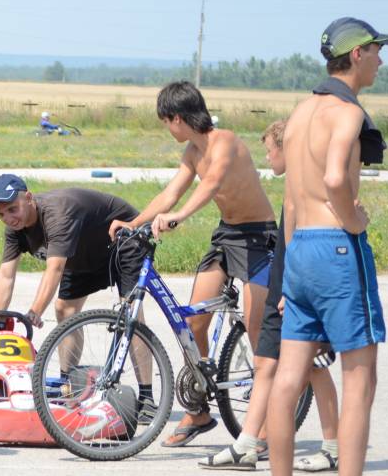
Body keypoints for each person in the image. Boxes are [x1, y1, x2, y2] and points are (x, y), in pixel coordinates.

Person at [268, 16, 388, 476]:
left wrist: (288, 272)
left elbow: (289, 201)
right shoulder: (347, 112)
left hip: (300, 249)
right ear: (355, 55)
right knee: (360, 379)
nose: (381, 60)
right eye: (376, 50)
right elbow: (333, 179)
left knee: (287, 378)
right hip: (336, 249)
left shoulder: (300, 113)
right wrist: (352, 220)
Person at [108, 81, 277, 446]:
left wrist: (179, 216)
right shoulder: (192, 151)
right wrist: (133, 223)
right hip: (227, 235)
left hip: (258, 237)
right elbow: (172, 191)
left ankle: (265, 423)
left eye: (165, 121)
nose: (166, 128)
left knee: (256, 327)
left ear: (178, 118)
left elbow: (212, 183)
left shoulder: (225, 141)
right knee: (193, 322)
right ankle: (198, 409)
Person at [200, 120, 341, 471]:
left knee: (311, 364)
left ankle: (331, 446)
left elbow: (299, 236)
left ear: (284, 147)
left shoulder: (302, 182)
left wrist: (292, 286)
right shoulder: (305, 179)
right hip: (290, 278)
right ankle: (248, 444)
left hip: (296, 281)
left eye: (268, 150)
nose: (266, 157)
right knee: (272, 363)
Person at [0, 174, 141, 331]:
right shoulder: (15, 228)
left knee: (130, 316)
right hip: (84, 252)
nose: (8, 219)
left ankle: (143, 343)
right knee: (65, 310)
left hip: (123, 239)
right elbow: (6, 274)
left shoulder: (57, 214)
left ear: (28, 198)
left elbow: (55, 268)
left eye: (12, 209)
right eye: (1, 214)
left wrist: (35, 312)